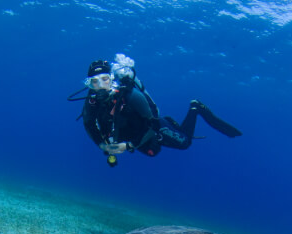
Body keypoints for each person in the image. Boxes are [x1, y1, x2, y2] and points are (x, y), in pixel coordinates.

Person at [78, 55, 242, 166]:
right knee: (152, 152)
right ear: (89, 84)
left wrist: (128, 146)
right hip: (131, 135)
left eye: (104, 79)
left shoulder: (131, 95)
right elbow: (89, 124)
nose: (100, 86)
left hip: (151, 128)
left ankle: (195, 107)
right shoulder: (91, 102)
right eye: (94, 82)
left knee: (185, 143)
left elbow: (153, 124)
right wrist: (101, 145)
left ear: (112, 79)